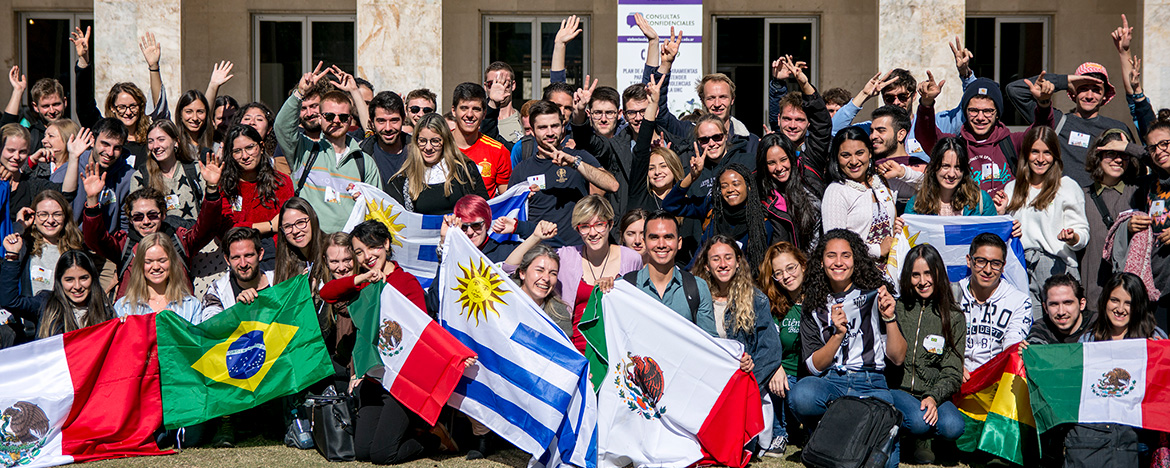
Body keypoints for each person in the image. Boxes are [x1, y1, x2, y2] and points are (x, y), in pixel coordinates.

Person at [787, 228, 906, 468]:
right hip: (833, 381)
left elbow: (897, 357)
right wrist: (837, 336)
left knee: (885, 463)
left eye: (846, 255)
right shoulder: (814, 303)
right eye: (831, 255)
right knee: (801, 394)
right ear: (821, 261)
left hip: (871, 381)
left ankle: (843, 436)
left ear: (856, 260)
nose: (838, 262)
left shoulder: (876, 294)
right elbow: (813, 366)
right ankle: (822, 433)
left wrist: (890, 318)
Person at [504, 196, 642, 351]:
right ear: (578, 229)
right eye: (585, 226)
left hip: (615, 350)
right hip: (573, 350)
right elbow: (510, 267)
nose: (593, 232)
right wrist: (535, 237)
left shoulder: (631, 259)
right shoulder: (567, 256)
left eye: (599, 225)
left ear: (610, 225)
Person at [82, 152, 226, 299]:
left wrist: (212, 188)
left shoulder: (180, 239)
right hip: (135, 316)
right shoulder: (123, 244)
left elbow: (208, 227)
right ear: (130, 220)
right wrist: (92, 199)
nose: (146, 222)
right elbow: (94, 239)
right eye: (138, 217)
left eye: (152, 215)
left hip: (177, 314)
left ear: (163, 215)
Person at [275, 62, 382, 233]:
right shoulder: (304, 150)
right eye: (330, 116)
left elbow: (377, 213)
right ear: (321, 117)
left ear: (349, 120)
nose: (336, 121)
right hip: (311, 250)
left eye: (343, 117)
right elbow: (282, 127)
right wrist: (300, 92)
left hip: (349, 252)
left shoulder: (364, 162)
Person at [996, 126, 1090, 319]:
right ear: (1026, 154)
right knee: (1029, 329)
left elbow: (1083, 232)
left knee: (1061, 326)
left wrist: (1073, 237)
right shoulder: (1012, 187)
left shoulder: (1067, 186)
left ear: (1055, 155)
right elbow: (1004, 233)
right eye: (1035, 152)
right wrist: (1001, 214)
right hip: (1021, 266)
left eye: (1047, 152)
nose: (1040, 159)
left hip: (1056, 265)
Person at [886, 244, 967, 464]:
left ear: (938, 273)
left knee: (953, 426)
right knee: (919, 421)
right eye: (915, 275)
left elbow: (952, 370)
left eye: (928, 273)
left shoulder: (954, 316)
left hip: (931, 392)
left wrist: (934, 396)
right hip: (898, 389)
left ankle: (933, 441)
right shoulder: (898, 308)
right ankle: (909, 438)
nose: (922, 281)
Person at [916, 72, 1056, 197]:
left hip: (1007, 222)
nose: (980, 117)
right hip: (967, 222)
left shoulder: (1012, 142)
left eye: (988, 111)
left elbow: (1042, 135)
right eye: (973, 110)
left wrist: (1043, 104)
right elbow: (927, 137)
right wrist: (926, 104)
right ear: (965, 112)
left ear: (997, 114)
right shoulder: (955, 145)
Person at [507, 100, 618, 247]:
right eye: (542, 128)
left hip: (577, 250)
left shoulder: (579, 157)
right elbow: (510, 212)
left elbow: (612, 185)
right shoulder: (522, 170)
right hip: (540, 252)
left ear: (563, 127)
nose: (550, 132)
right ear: (532, 131)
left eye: (554, 126)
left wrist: (575, 163)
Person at [1006, 63, 1136, 187]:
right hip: (1061, 204)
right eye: (1083, 89)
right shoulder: (1055, 121)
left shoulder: (1117, 129)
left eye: (1096, 90)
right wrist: (1065, 81)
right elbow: (1015, 90)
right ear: (1073, 92)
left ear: (1104, 96)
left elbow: (1134, 169)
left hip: (1102, 206)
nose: (1089, 96)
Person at [691, 235, 782, 403]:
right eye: (716, 259)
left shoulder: (756, 300)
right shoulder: (694, 298)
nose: (723, 264)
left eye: (728, 257)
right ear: (706, 266)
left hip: (743, 388)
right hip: (706, 385)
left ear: (738, 261)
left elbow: (770, 350)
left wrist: (749, 377)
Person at [73, 29, 169, 161]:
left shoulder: (150, 139)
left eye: (133, 106)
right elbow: (84, 106)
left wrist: (154, 67)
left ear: (141, 106)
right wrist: (83, 60)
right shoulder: (103, 132)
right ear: (113, 107)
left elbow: (160, 110)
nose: (128, 112)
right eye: (122, 107)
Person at [820, 126, 913, 260]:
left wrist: (903, 173)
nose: (853, 161)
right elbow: (834, 242)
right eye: (845, 155)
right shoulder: (836, 191)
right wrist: (877, 250)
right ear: (837, 158)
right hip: (860, 274)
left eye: (859, 153)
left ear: (870, 153)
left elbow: (925, 188)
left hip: (891, 270)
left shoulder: (883, 181)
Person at [665, 162, 774, 269]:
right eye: (724, 186)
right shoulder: (712, 206)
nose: (730, 190)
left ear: (748, 186)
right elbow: (670, 205)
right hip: (699, 279)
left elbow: (756, 268)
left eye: (736, 184)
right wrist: (691, 177)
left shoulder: (762, 224)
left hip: (737, 283)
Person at [1080, 129, 1143, 307]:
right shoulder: (1081, 195)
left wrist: (1132, 148)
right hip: (1093, 295)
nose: (1117, 160)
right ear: (1098, 156)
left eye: (1123, 155)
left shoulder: (1140, 191)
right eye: (1110, 153)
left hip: (1130, 296)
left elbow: (1161, 165)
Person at [623, 210, 715, 334]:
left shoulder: (697, 288)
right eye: (654, 237)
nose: (661, 244)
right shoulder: (625, 286)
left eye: (668, 237)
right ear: (644, 242)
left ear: (679, 243)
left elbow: (711, 342)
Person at [219, 124, 294, 267]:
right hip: (239, 262)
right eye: (237, 151)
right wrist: (270, 226)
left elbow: (287, 223)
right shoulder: (224, 187)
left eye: (249, 147)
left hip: (278, 260)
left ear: (261, 146)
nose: (245, 156)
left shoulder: (281, 182)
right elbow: (227, 229)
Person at [959, 232, 1032, 378]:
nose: (987, 270)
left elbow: (1012, 345)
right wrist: (953, 367)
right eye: (981, 261)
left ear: (1003, 266)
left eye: (995, 264)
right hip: (953, 380)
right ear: (969, 261)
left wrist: (1017, 350)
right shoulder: (951, 295)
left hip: (994, 381)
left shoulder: (1019, 301)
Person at [757, 241, 807, 457]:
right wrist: (775, 366)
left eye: (790, 268)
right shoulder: (771, 304)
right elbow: (764, 344)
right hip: (781, 377)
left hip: (808, 376)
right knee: (771, 379)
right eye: (778, 273)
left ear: (803, 265)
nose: (786, 276)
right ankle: (779, 433)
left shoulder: (819, 300)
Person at [386, 113, 489, 215]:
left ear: (445, 141)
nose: (428, 147)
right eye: (422, 141)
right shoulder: (403, 179)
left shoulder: (465, 169)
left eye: (435, 141)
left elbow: (485, 209)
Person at [0, 249, 112, 341]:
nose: (77, 286)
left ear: (93, 278)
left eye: (83, 278)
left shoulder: (105, 309)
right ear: (59, 281)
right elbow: (10, 301)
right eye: (69, 280)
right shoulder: (45, 303)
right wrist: (12, 258)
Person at [7, 190, 86, 301]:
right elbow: (8, 245)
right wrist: (20, 225)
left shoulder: (75, 249)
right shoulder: (25, 246)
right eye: (43, 214)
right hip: (31, 315)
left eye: (57, 214)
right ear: (33, 218)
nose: (50, 220)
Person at [0, 123, 81, 227]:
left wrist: (74, 157)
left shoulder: (31, 184)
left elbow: (66, 194)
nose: (16, 156)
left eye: (22, 152)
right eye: (10, 150)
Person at [112, 232, 203, 321]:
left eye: (162, 261)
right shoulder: (124, 306)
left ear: (172, 262)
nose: (156, 267)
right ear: (140, 264)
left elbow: (195, 336)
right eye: (148, 262)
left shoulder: (191, 305)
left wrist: (176, 324)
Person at [73, 118, 141, 235]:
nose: (110, 153)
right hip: (71, 244)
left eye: (117, 148)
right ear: (92, 140)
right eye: (105, 144)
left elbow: (126, 227)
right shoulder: (71, 169)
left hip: (108, 246)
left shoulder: (128, 177)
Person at [756, 133, 823, 250]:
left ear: (791, 158)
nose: (779, 168)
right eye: (771, 163)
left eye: (783, 160)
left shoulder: (807, 184)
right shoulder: (760, 195)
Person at [130, 120, 204, 224]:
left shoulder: (195, 169)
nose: (155, 146)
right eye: (151, 141)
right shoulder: (141, 177)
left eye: (161, 139)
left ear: (176, 141)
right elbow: (136, 218)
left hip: (195, 236)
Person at [904, 136, 997, 216]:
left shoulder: (982, 201)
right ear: (934, 167)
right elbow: (910, 235)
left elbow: (995, 234)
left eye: (957, 167)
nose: (951, 174)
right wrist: (902, 231)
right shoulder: (916, 204)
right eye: (945, 166)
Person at [449, 83, 511, 196]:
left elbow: (506, 200)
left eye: (476, 109)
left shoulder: (498, 151)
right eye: (464, 108)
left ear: (484, 114)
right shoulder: (439, 145)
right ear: (454, 111)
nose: (469, 114)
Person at [200, 227, 274, 320]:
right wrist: (237, 312)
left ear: (260, 254)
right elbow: (211, 328)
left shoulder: (280, 280)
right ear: (227, 259)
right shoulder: (217, 292)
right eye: (236, 257)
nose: (243, 264)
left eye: (248, 255)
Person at [1082, 272, 1165, 341]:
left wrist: (1161, 354)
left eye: (1128, 303)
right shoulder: (1088, 340)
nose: (1120, 309)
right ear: (1105, 301)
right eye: (1114, 300)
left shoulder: (1155, 336)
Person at [510, 244, 572, 335]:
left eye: (553, 273)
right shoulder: (499, 298)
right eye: (539, 270)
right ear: (522, 273)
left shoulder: (560, 317)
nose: (546, 278)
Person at [3, 67, 68, 153]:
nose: (52, 111)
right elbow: (5, 131)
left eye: (56, 104)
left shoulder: (74, 132)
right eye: (46, 106)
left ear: (64, 102)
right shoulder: (31, 135)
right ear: (35, 107)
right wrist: (17, 91)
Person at [1027, 273, 1096, 344]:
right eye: (1054, 304)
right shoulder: (1041, 329)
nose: (1061, 312)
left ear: (1082, 304)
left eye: (1068, 303)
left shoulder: (1099, 324)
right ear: (1045, 308)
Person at [361, 91, 410, 183]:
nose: (388, 128)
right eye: (381, 121)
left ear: (403, 120)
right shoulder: (361, 156)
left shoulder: (419, 151)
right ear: (372, 123)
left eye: (394, 120)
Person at [483, 62, 524, 145]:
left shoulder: (525, 121)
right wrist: (493, 103)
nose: (499, 88)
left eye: (505, 83)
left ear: (513, 85)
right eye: (492, 84)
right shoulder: (477, 121)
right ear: (485, 86)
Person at [32, 119, 81, 183]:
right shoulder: (38, 167)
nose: (43, 140)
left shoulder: (80, 167)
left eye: (51, 136)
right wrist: (32, 161)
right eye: (45, 136)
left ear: (68, 139)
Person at [174, 90, 213, 157]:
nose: (195, 118)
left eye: (200, 112)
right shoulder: (174, 146)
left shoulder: (215, 147)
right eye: (189, 112)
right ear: (180, 114)